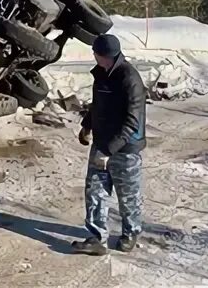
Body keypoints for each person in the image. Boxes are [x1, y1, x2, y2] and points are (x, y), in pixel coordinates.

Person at [72, 33, 146, 255]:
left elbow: (132, 121)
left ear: (103, 55)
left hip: (125, 148)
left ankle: (131, 232)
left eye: (95, 53)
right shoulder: (102, 74)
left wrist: (109, 150)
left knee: (128, 195)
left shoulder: (130, 79)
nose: (94, 56)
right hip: (102, 142)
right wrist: (87, 126)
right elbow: (98, 105)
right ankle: (97, 238)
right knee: (94, 191)